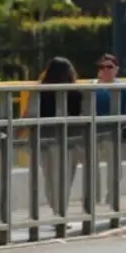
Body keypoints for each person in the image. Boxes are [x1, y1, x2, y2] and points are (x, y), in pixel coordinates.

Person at [25, 57, 83, 217]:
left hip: (44, 139)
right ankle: (61, 209)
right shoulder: (77, 92)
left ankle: (56, 207)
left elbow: (29, 114)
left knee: (50, 176)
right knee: (67, 177)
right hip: (70, 140)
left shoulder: (39, 92)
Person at [93, 54, 126, 204]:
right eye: (101, 67)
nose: (105, 70)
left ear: (116, 69)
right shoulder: (92, 87)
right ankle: (94, 197)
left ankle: (112, 197)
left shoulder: (123, 88)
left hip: (115, 133)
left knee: (114, 166)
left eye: (109, 67)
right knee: (92, 165)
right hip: (94, 133)